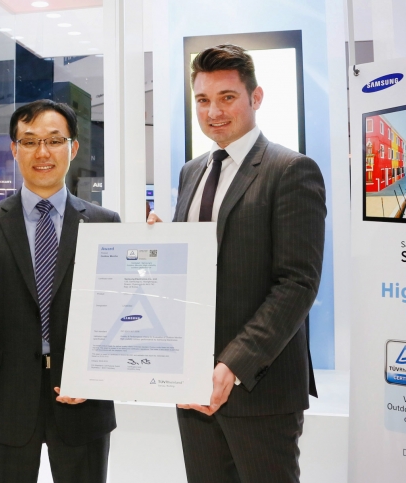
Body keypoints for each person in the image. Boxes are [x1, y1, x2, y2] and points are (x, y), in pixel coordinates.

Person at [149, 44, 326, 483]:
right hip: (193, 383)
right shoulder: (192, 172)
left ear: (256, 97)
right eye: (203, 100)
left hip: (258, 387)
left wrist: (232, 365)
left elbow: (297, 283)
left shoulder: (291, 170)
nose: (213, 112)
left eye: (227, 97)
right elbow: (201, 265)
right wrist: (161, 247)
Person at [0, 100, 119, 483]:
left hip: (82, 400)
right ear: (15, 149)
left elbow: (113, 313)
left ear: (73, 148)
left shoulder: (104, 224)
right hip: (4, 397)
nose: (42, 152)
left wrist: (95, 376)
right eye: (29, 142)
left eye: (54, 140)